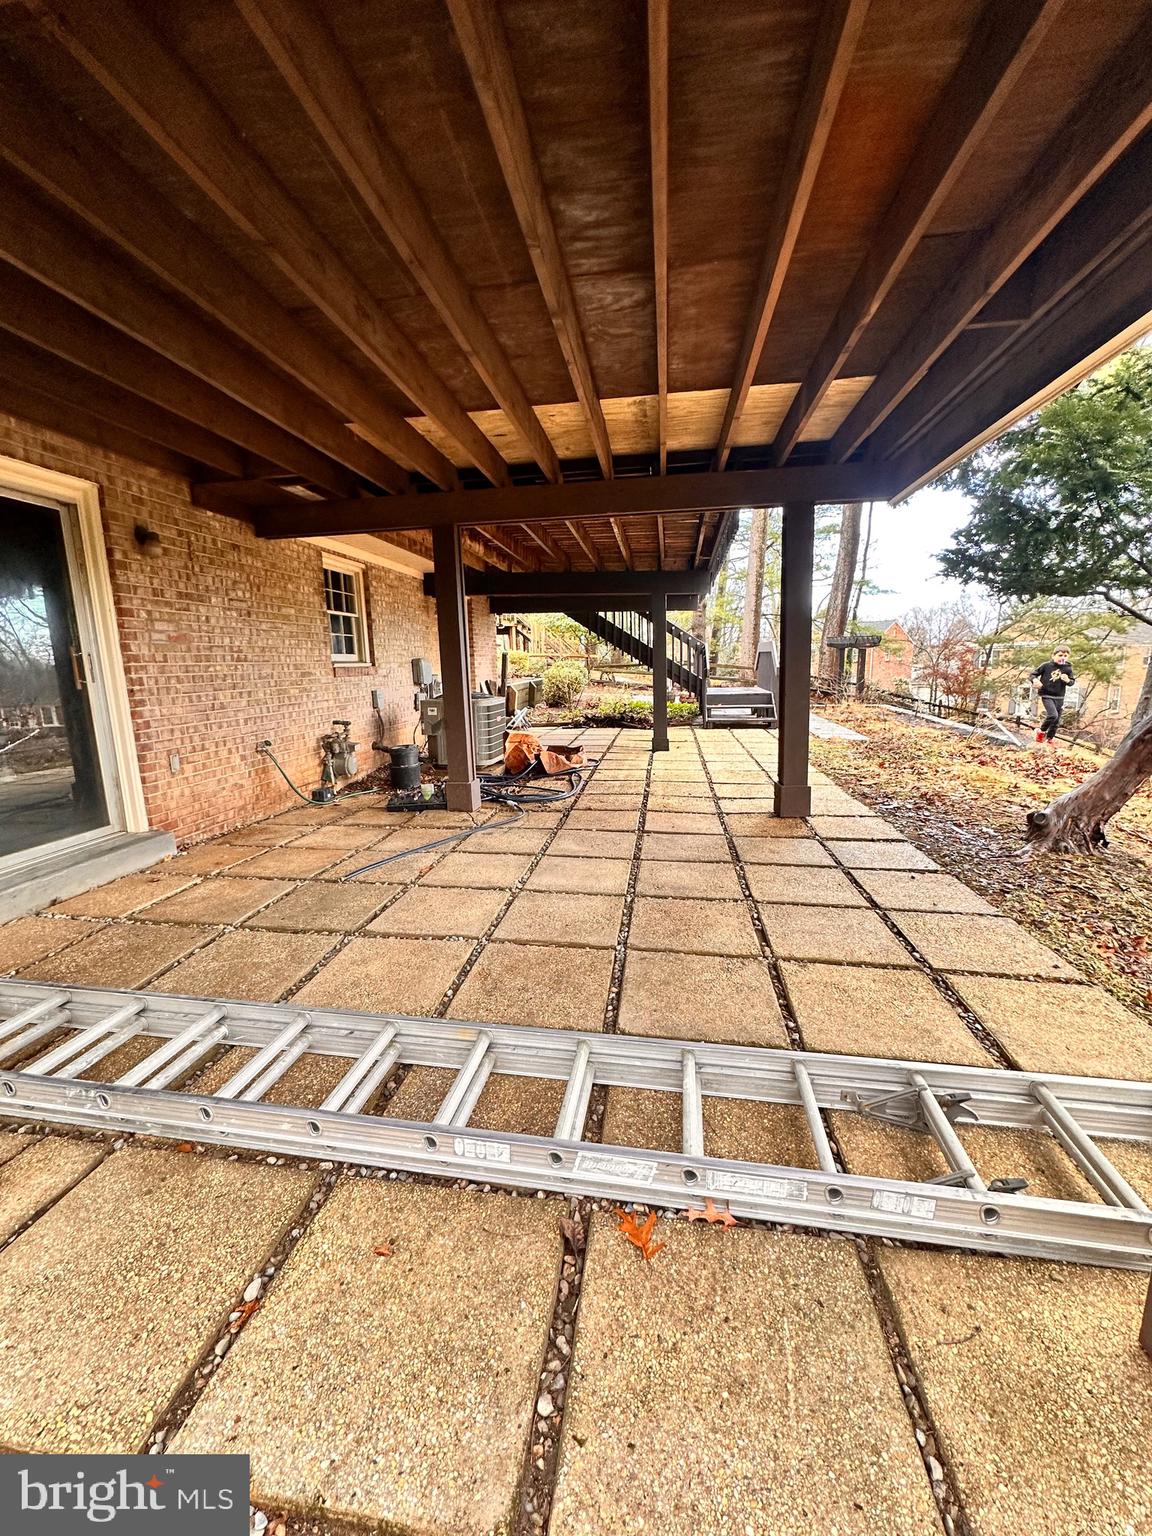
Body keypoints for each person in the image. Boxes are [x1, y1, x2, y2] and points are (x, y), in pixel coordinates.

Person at [1030, 647, 1075, 744]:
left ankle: (1049, 739)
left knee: (1056, 721)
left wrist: (1067, 680)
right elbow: (1033, 674)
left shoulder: (1068, 668)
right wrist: (1035, 680)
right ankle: (1041, 731)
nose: (1062, 657)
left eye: (1065, 656)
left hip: (1059, 697)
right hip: (1047, 694)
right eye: (1060, 655)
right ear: (1053, 656)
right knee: (1052, 715)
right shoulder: (1046, 666)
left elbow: (1072, 682)